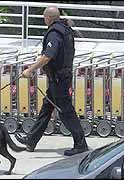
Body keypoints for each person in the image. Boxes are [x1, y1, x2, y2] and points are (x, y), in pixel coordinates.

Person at [15, 6, 89, 156]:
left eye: (44, 17)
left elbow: (48, 56)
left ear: (49, 18)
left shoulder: (55, 33)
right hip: (60, 76)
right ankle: (31, 139)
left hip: (59, 79)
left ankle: (81, 144)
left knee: (65, 111)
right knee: (47, 108)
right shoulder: (65, 29)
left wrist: (30, 70)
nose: (44, 19)